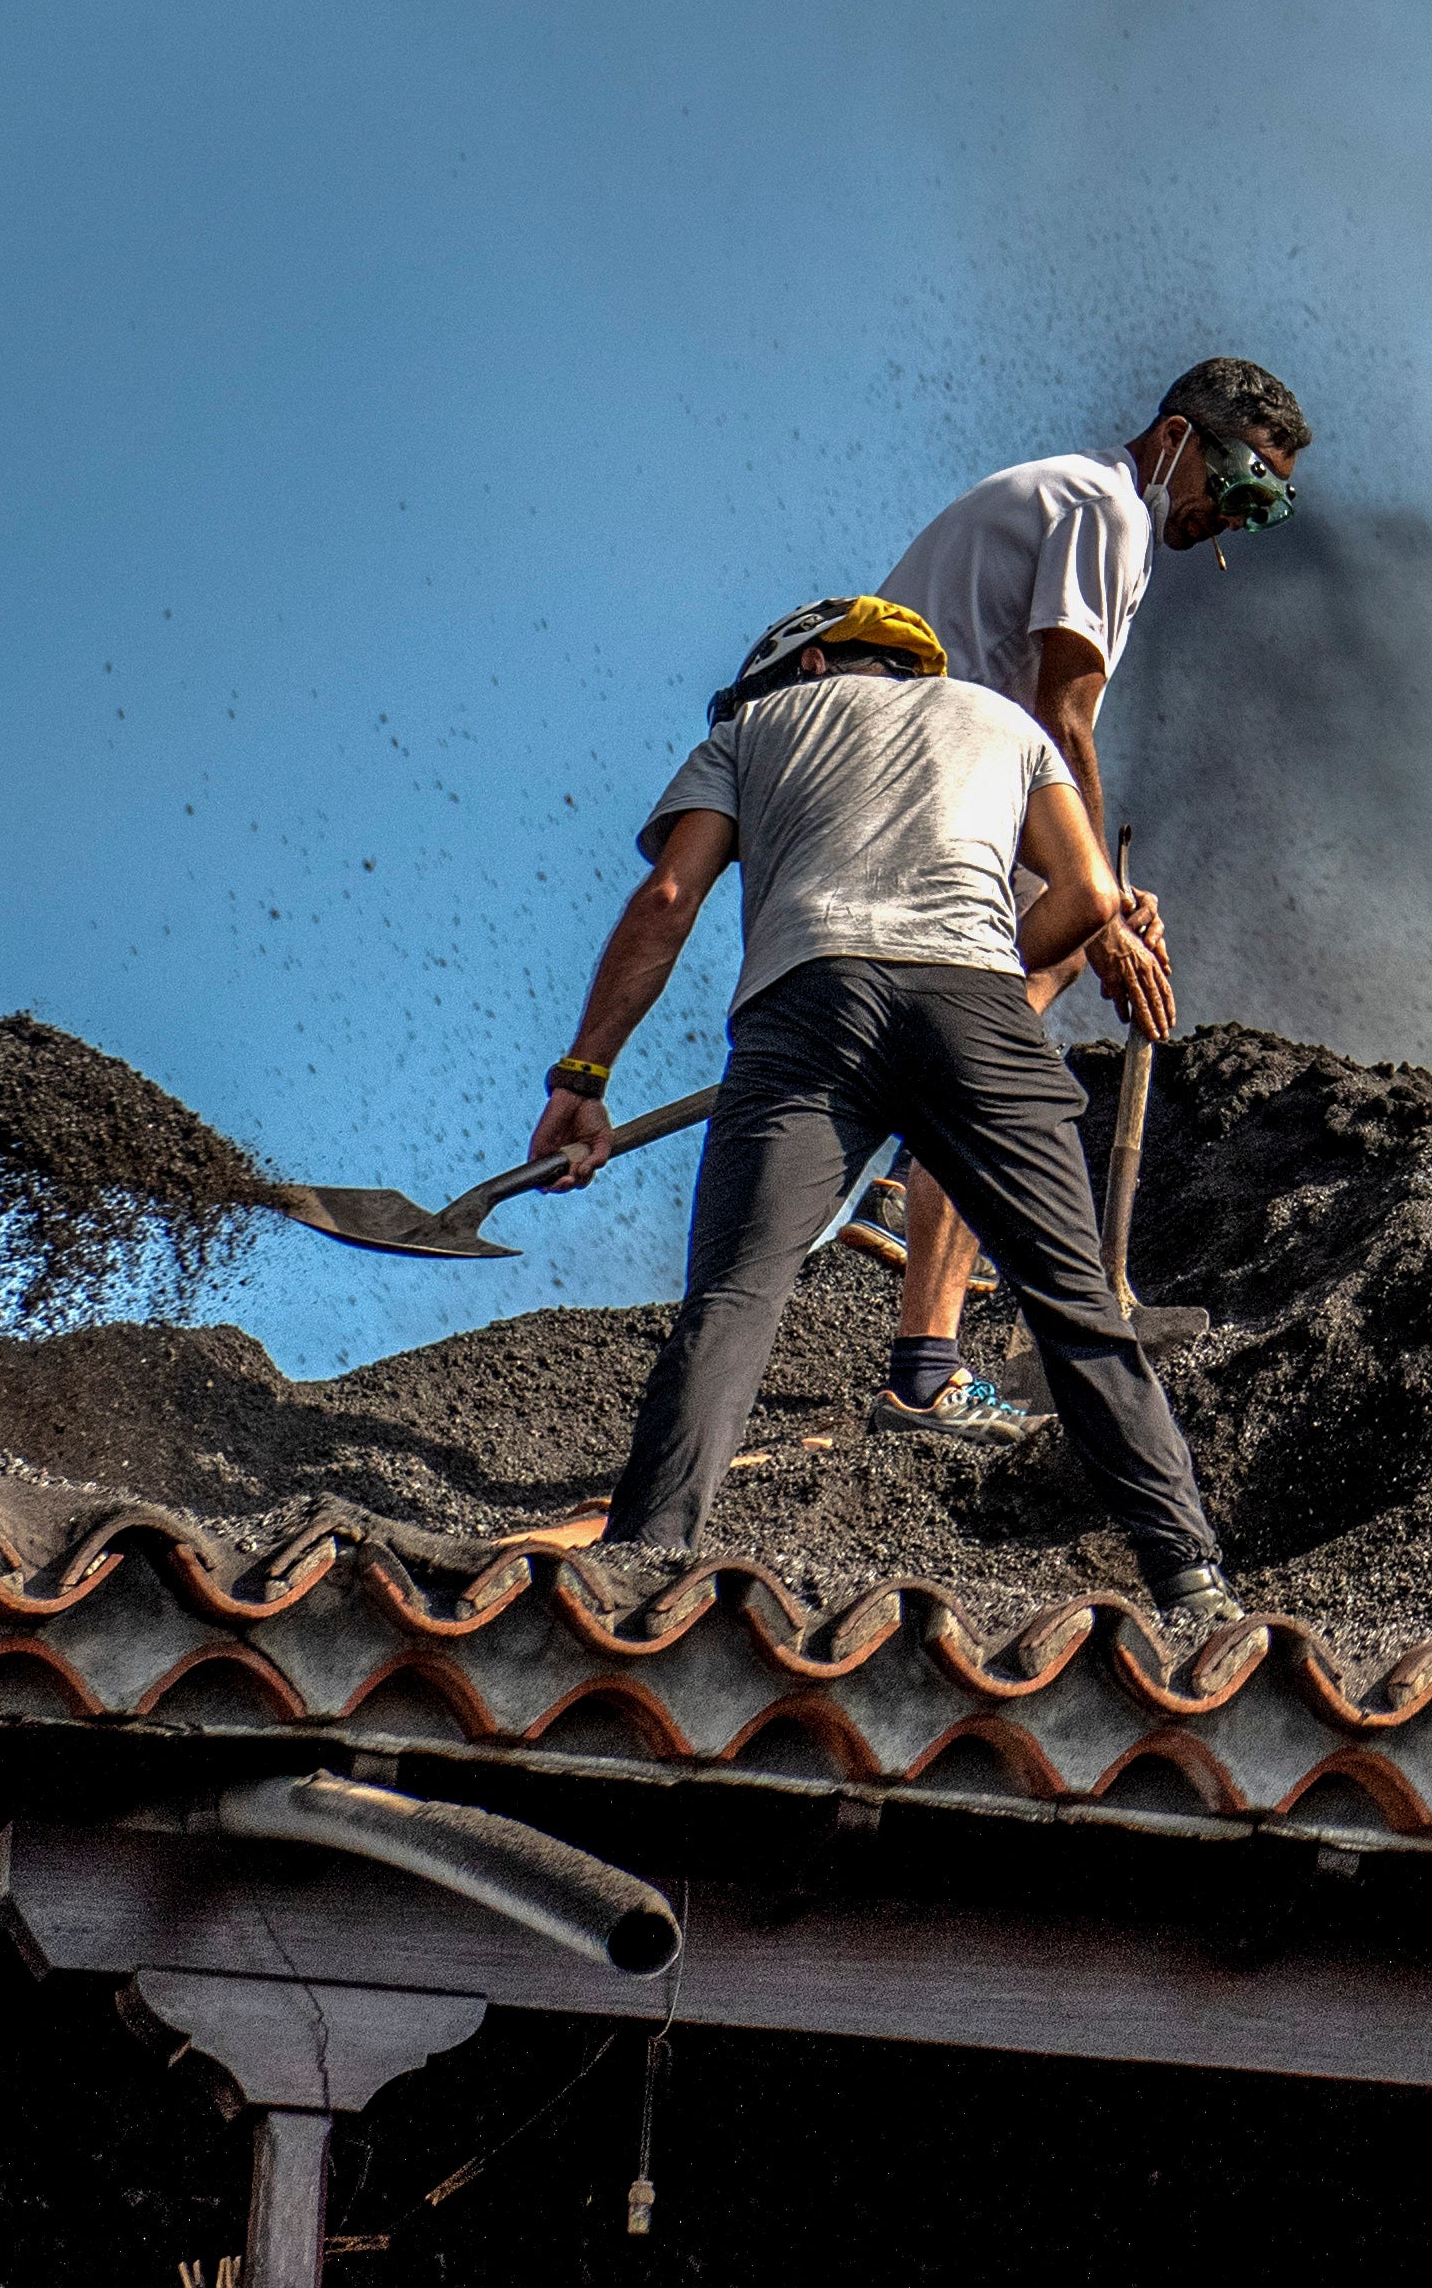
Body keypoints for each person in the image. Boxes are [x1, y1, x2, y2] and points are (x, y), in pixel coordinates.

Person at [529, 590, 1238, 1616]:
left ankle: (646, 1560)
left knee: (734, 1297)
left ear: (809, 665)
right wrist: (978, 973)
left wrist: (583, 1078)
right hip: (978, 1010)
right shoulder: (1006, 724)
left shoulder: (753, 726)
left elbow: (669, 900)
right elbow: (1086, 900)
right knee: (1074, 1302)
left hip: (806, 1008)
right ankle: (1192, 1580)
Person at [835, 359, 1312, 1429]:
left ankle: (919, 1146)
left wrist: (1100, 890)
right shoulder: (1108, 509)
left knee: (1025, 983)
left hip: (912, 782)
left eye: (1261, 508)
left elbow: (1041, 735)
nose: (1231, 515)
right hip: (917, 785)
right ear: (1180, 437)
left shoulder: (1082, 501)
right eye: (1237, 480)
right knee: (998, 1036)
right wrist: (1097, 903)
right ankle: (924, 1316)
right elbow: (1064, 714)